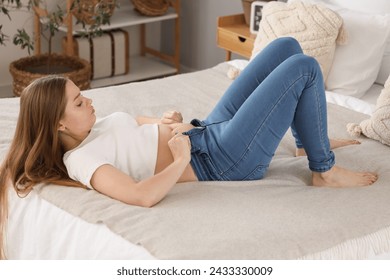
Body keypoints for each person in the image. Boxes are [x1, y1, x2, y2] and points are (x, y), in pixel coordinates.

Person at [0, 37, 378, 258]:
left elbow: (135, 126)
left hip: (206, 130)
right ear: (59, 124)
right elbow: (140, 195)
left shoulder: (91, 128)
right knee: (304, 67)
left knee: (286, 46)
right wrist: (179, 158)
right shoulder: (81, 160)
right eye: (79, 102)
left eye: (84, 95)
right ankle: (324, 170)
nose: (90, 101)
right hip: (222, 160)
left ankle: (304, 141)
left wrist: (165, 120)